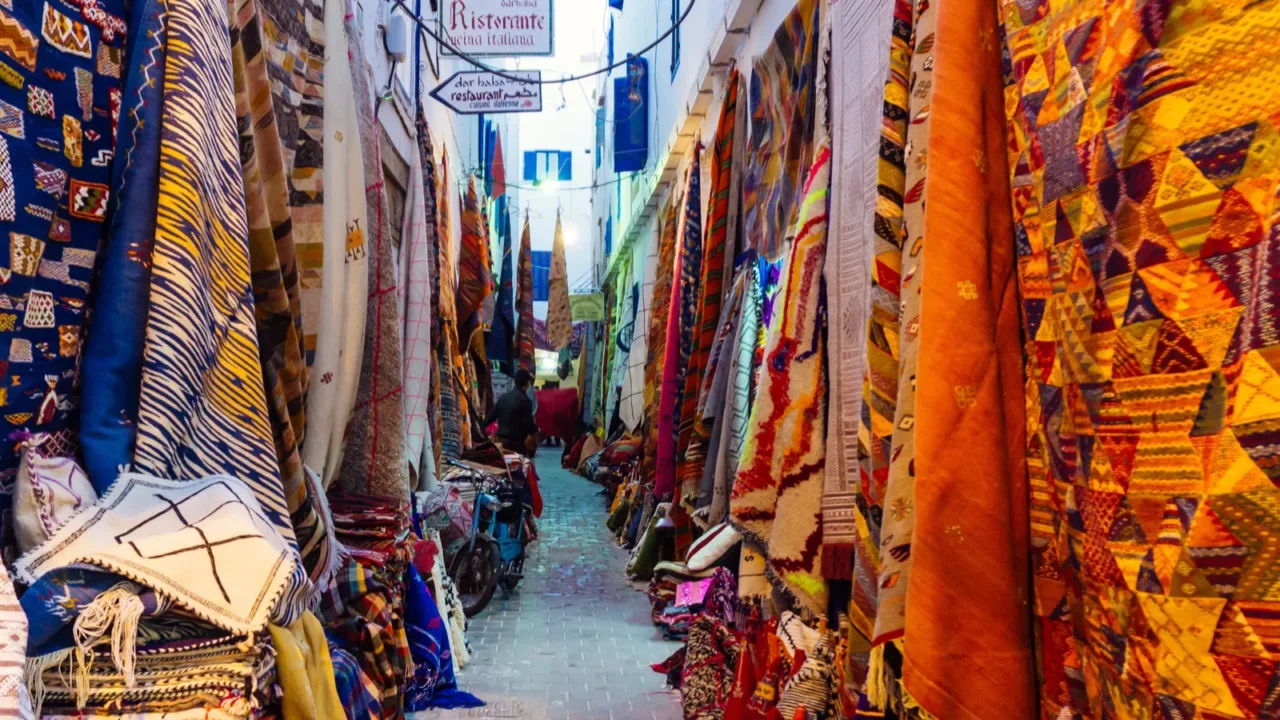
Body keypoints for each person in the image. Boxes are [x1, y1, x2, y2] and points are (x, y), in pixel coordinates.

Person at [485, 370, 539, 457]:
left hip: (501, 443)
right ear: (527, 384)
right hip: (518, 445)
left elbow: (491, 417)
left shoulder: (503, 397)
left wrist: (480, 427)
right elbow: (528, 426)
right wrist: (535, 437)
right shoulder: (526, 400)